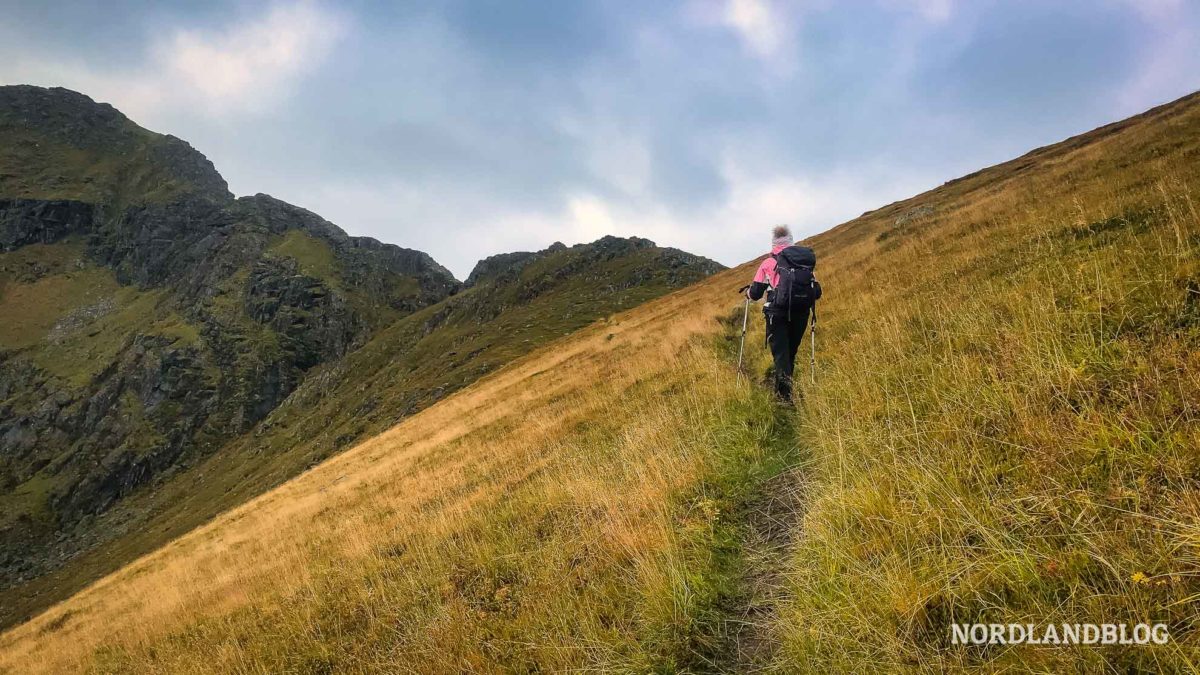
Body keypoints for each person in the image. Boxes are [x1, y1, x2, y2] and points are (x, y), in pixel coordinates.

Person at [745, 225, 819, 403]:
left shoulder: (768, 263)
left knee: (780, 354)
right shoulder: (803, 262)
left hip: (776, 313)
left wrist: (748, 293)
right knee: (790, 352)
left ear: (773, 244)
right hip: (801, 311)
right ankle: (783, 390)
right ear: (791, 241)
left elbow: (755, 293)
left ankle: (784, 398)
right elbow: (815, 289)